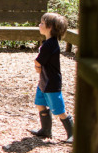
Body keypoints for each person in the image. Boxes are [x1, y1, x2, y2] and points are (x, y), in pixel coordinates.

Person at [29, 12, 74, 142]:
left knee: (59, 110)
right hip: (44, 82)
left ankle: (72, 133)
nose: (39, 25)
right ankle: (46, 130)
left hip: (51, 83)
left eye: (42, 23)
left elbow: (38, 61)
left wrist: (37, 66)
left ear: (50, 28)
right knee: (40, 104)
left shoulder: (50, 44)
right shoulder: (47, 42)